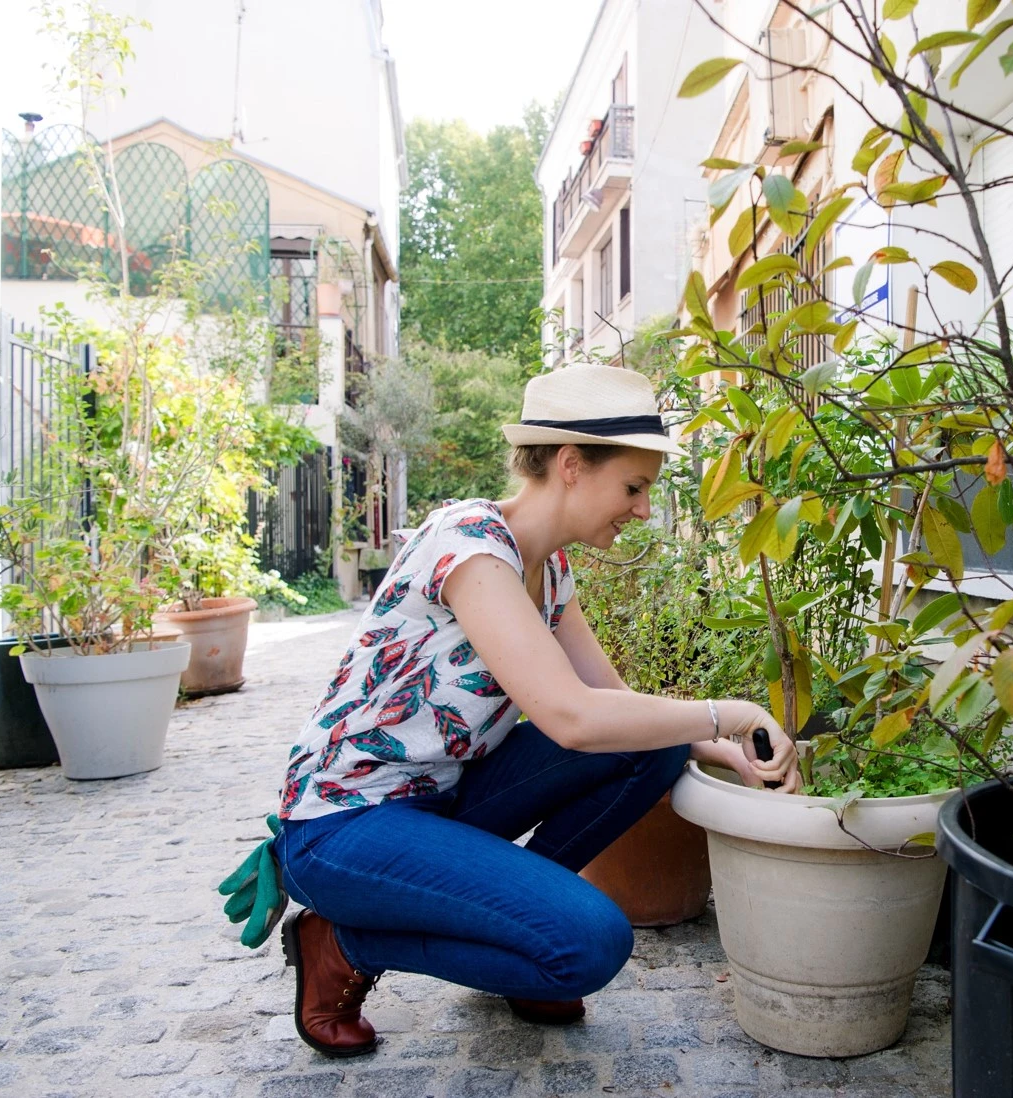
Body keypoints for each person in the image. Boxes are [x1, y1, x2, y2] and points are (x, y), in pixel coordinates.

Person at [272, 363, 799, 1057]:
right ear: (572, 465)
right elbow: (570, 719)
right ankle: (339, 940)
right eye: (634, 487)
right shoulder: (468, 544)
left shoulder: (548, 570)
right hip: (345, 825)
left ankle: (520, 928)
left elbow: (611, 705)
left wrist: (712, 747)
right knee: (591, 944)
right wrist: (729, 711)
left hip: (441, 803)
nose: (642, 509)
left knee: (654, 743)